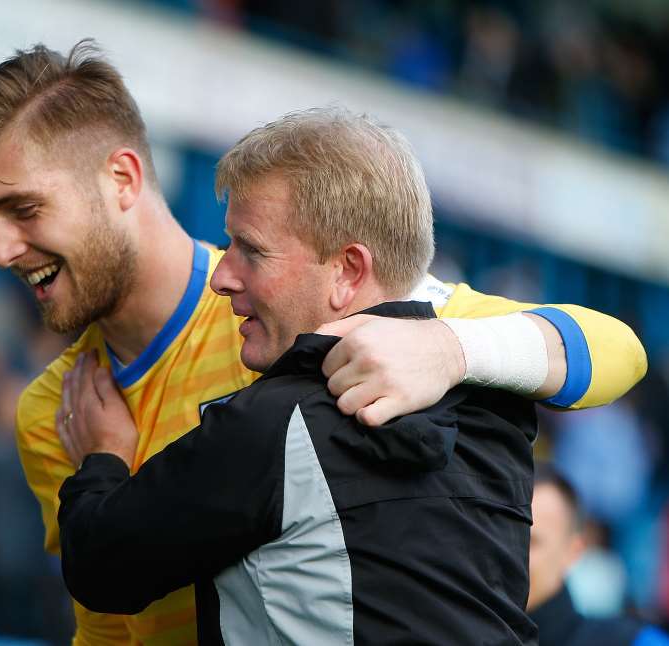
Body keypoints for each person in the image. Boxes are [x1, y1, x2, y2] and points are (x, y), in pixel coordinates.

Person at [0, 41, 647, 645]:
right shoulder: (53, 409)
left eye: (24, 209)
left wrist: (452, 350)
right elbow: (104, 622)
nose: (2, 248)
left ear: (122, 177)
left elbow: (616, 351)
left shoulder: (305, 315)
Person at [58, 107, 544, 644]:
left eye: (252, 251)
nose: (223, 276)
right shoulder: (500, 405)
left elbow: (100, 568)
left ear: (348, 271)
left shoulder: (274, 427)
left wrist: (101, 459)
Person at [528, 464, 669, 646]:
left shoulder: (632, 641)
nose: (509, 554)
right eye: (502, 538)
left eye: (531, 542)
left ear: (573, 552)